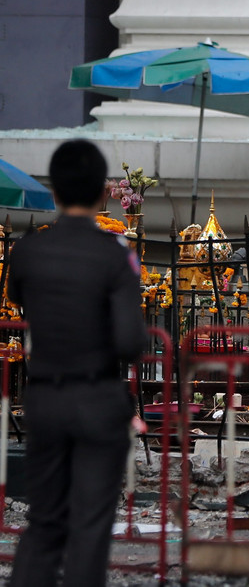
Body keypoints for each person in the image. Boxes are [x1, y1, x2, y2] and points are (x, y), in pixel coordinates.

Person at [6, 139, 147, 586]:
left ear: (55, 192)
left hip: (45, 396)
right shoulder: (115, 255)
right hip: (98, 398)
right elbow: (130, 339)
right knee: (89, 524)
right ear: (103, 192)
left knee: (45, 518)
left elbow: (15, 297)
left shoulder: (27, 251)